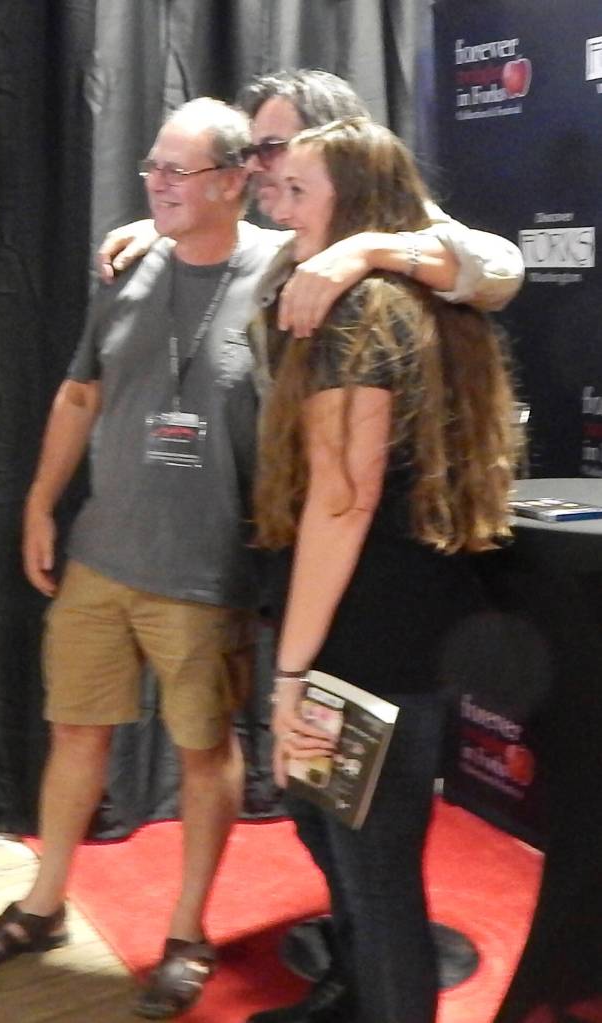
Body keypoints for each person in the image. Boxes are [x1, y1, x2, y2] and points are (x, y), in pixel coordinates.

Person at [0, 97, 286, 1022]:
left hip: (206, 573)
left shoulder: (284, 273)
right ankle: (42, 907)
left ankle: (186, 932)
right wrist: (39, 503)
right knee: (74, 730)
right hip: (102, 557)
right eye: (151, 168)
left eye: (177, 170)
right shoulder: (129, 265)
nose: (156, 184)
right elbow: (78, 394)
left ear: (233, 179)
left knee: (204, 749)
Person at [246, 117, 519, 1023]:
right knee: (353, 855)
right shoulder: (418, 305)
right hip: (392, 630)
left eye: (299, 191)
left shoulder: (360, 312)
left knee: (376, 876)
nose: (280, 208)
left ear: (356, 204)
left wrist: (292, 673)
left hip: (363, 643)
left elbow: (341, 502)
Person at [97, 69, 524, 337]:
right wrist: (168, 228)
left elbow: (501, 267)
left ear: (335, 145)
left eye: (270, 149)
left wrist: (367, 249)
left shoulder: (402, 228)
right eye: (250, 152)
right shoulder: (294, 242)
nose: (254, 167)